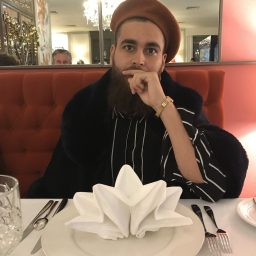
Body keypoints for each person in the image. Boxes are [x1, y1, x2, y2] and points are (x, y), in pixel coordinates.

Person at [28, 0, 248, 202]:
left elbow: (213, 184)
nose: (139, 60)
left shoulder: (184, 105)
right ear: (113, 53)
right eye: (129, 47)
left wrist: (164, 108)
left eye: (151, 50)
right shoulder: (84, 110)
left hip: (166, 231)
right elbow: (57, 188)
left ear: (162, 62)